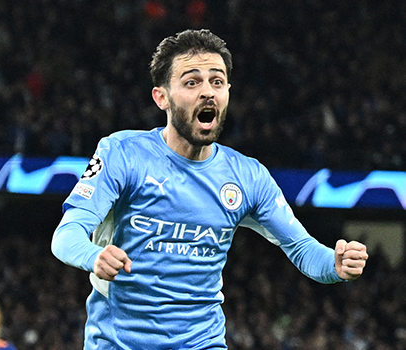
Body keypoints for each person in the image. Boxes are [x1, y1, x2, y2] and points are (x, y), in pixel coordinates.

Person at [50, 29, 368, 350]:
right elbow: (66, 235)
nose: (208, 92)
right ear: (162, 97)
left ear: (228, 91)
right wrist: (94, 256)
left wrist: (335, 265)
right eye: (192, 82)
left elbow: (301, 249)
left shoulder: (248, 176)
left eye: (217, 82)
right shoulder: (123, 153)